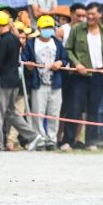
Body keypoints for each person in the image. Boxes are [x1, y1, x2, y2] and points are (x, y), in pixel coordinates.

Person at [0, 11, 40, 152]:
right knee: (11, 113)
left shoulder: (3, 41)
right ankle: (33, 136)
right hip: (14, 81)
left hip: (4, 82)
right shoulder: (14, 39)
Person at [62, 3, 103, 150]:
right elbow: (68, 49)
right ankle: (68, 141)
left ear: (100, 15)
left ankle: (91, 141)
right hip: (79, 75)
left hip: (97, 75)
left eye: (93, 14)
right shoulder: (77, 29)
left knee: (94, 109)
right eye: (87, 14)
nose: (90, 17)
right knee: (74, 108)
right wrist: (77, 64)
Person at [22, 15, 68, 149]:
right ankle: (40, 139)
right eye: (45, 28)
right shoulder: (31, 43)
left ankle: (52, 140)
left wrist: (60, 62)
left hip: (55, 83)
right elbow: (24, 59)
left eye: (50, 27)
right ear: (39, 28)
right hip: (38, 83)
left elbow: (64, 58)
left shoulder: (57, 43)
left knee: (54, 113)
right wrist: (29, 65)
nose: (48, 30)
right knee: (38, 113)